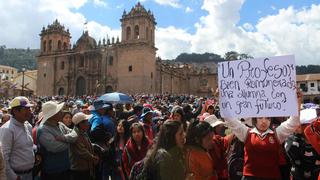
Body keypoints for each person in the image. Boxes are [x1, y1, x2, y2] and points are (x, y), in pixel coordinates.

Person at [223, 91, 302, 180]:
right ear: (254, 119)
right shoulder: (247, 133)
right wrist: (221, 98)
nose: (264, 121)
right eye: (260, 117)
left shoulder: (277, 134)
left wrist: (297, 102)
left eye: (267, 118)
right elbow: (229, 119)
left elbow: (294, 122)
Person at [38, 101, 77, 180]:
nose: (61, 112)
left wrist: (64, 138)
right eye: (59, 111)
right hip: (53, 172)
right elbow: (55, 147)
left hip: (66, 168)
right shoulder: (43, 129)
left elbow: (75, 134)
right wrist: (72, 142)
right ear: (53, 115)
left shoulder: (60, 124)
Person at [0, 96, 35, 180]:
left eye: (29, 109)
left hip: (29, 173)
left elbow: (29, 146)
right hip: (17, 176)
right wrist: (14, 177)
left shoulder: (28, 126)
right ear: (15, 111)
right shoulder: (7, 129)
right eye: (25, 109)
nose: (29, 112)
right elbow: (4, 157)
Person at [285, 115, 320, 180]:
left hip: (316, 175)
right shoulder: (291, 140)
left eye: (302, 124)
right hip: (298, 176)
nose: (297, 126)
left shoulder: (317, 136)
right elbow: (297, 161)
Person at [69, 112, 99, 180]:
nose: (88, 123)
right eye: (86, 122)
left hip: (86, 167)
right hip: (79, 170)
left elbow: (87, 144)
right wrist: (93, 158)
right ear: (81, 124)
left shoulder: (83, 132)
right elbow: (82, 152)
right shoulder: (75, 136)